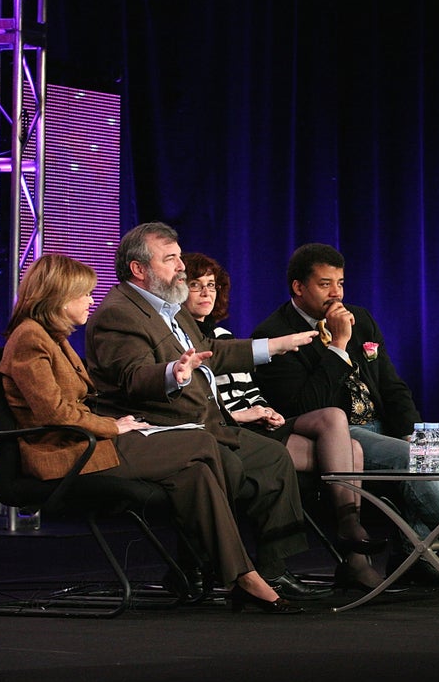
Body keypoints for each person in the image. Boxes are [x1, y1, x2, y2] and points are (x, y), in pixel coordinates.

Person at [0, 254, 300, 614]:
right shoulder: (30, 338)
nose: (91, 301)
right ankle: (232, 572)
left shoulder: (53, 337)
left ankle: (237, 575)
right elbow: (55, 414)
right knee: (202, 444)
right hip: (70, 452)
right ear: (57, 296)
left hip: (93, 440)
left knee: (196, 471)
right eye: (84, 295)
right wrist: (114, 425)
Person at [251, 242, 439, 591]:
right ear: (298, 287)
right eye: (325, 284)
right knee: (416, 462)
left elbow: (392, 386)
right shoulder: (273, 334)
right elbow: (305, 406)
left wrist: (410, 430)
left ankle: (415, 554)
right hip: (343, 437)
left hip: (384, 429)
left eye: (340, 283)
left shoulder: (360, 318)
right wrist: (337, 346)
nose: (336, 293)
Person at [83, 221, 330, 602]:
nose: (181, 267)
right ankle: (203, 565)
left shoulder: (171, 308)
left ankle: (272, 568)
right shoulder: (119, 314)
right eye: (171, 259)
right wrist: (173, 372)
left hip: (208, 422)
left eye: (179, 257)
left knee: (273, 458)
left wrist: (274, 346)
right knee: (226, 466)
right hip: (167, 426)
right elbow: (132, 377)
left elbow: (213, 351)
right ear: (139, 269)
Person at [181, 251, 388, 591]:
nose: (206, 293)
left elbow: (246, 388)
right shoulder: (182, 340)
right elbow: (197, 403)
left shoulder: (225, 335)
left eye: (212, 286)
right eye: (195, 286)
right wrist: (240, 415)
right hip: (229, 430)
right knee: (350, 448)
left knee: (344, 434)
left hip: (259, 423)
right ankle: (348, 548)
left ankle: (352, 542)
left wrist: (263, 408)